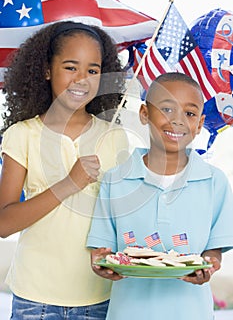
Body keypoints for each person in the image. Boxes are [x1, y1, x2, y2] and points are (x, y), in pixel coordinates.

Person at [0, 21, 129, 319]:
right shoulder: (23, 135)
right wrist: (70, 183)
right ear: (47, 70)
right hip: (36, 297)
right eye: (71, 67)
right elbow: (4, 224)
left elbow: (122, 218)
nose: (81, 79)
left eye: (93, 70)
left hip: (99, 296)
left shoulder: (114, 137)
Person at [87, 72, 233, 320]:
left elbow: (213, 251)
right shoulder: (116, 179)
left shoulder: (214, 181)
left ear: (199, 124)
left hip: (191, 313)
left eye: (189, 113)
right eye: (166, 109)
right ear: (144, 114)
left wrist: (209, 265)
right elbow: (103, 249)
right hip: (127, 312)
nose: (177, 120)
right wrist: (101, 262)